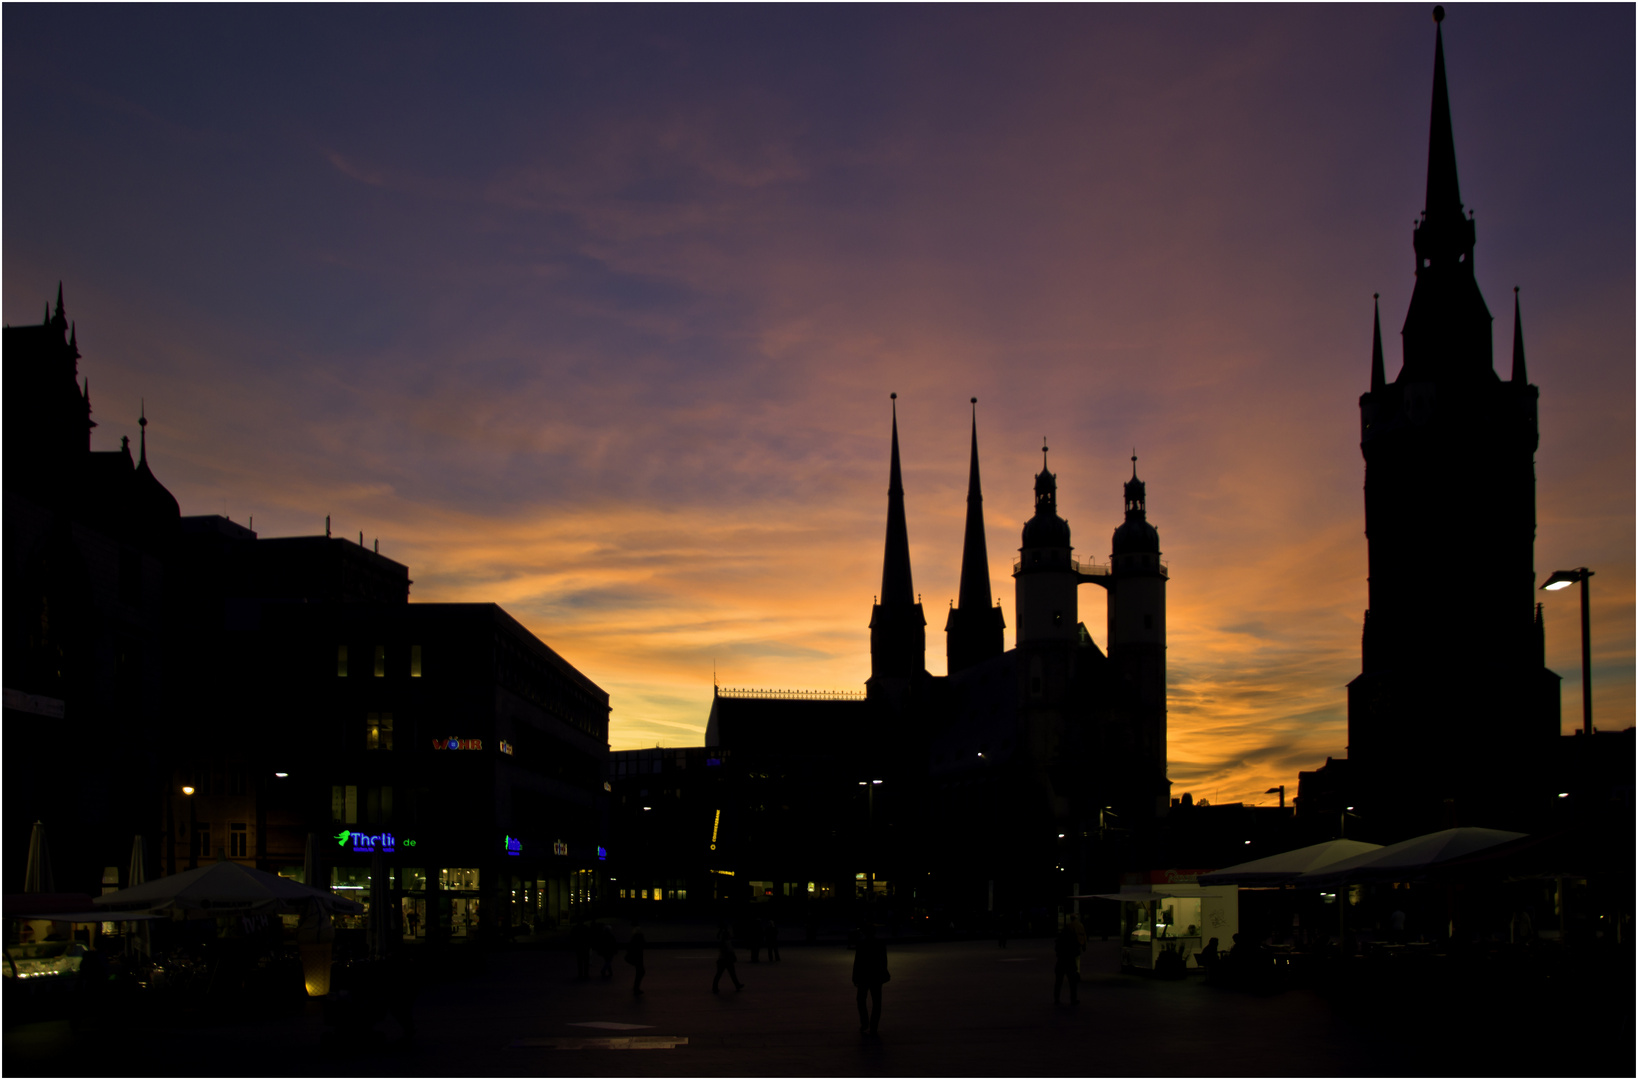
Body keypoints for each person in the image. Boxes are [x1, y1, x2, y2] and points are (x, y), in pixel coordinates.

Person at [852, 923, 888, 1036]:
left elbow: (857, 962)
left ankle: (865, 1022)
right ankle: (873, 1025)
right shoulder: (880, 943)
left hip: (864, 976)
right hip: (876, 976)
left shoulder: (861, 944)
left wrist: (855, 977)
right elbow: (883, 961)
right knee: (876, 1001)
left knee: (861, 999)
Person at [1053, 919, 1082, 1004]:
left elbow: (1056, 949)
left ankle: (1056, 998)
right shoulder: (1072, 938)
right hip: (1070, 962)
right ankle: (1073, 999)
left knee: (1058, 981)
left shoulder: (1060, 938)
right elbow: (1077, 951)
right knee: (1072, 982)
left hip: (1061, 961)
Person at [712, 920, 744, 992]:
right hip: (726, 959)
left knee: (721, 973)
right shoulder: (726, 942)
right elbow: (729, 950)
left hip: (723, 959)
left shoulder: (724, 941)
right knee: (730, 973)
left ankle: (715, 986)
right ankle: (737, 985)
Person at [626, 925, 647, 996]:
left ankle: (636, 987)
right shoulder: (640, 937)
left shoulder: (634, 937)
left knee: (639, 972)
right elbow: (643, 945)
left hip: (635, 957)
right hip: (638, 957)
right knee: (641, 972)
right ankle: (636, 988)